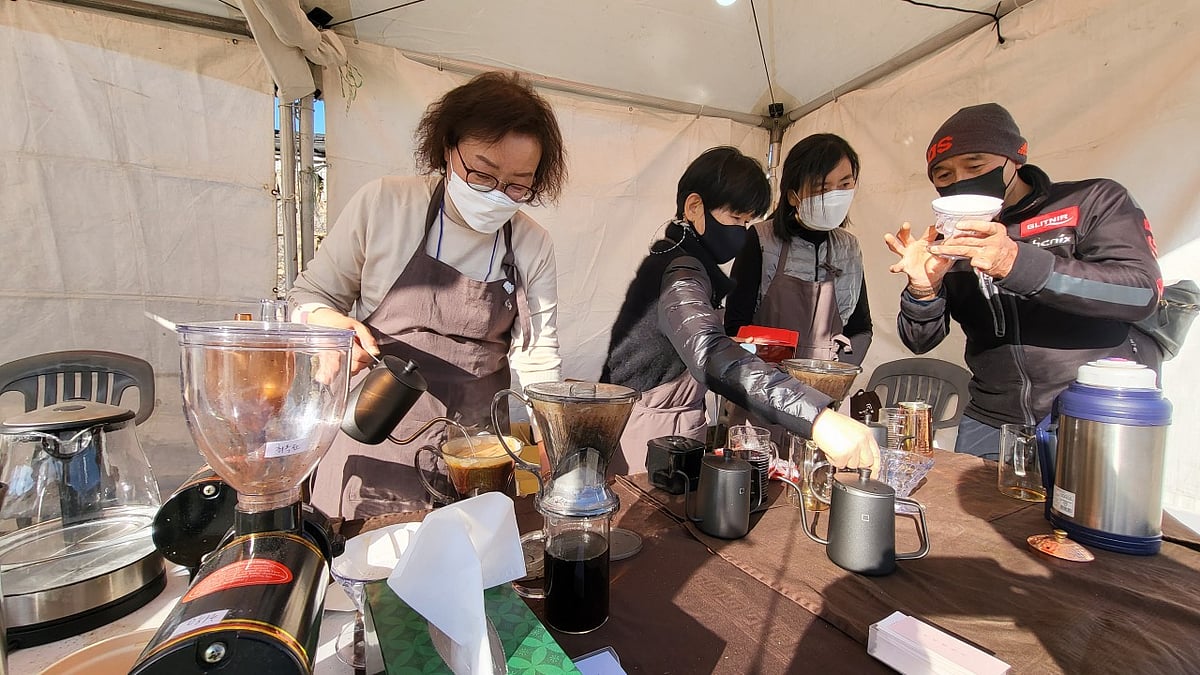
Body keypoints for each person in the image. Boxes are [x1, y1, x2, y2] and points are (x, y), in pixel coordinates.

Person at [290, 72, 567, 518]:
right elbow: (310, 295)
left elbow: (539, 358)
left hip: (478, 451)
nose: (497, 195)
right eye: (482, 174)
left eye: (518, 184)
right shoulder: (385, 204)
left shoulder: (532, 243)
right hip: (378, 437)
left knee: (475, 554)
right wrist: (328, 325)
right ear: (446, 147)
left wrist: (554, 450)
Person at [885, 103, 1162, 458]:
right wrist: (923, 291)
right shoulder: (949, 239)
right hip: (990, 420)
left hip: (1093, 412)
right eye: (943, 175)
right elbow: (920, 341)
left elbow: (1140, 293)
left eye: (975, 166)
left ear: (1015, 159)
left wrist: (1015, 263)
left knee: (1082, 499)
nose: (959, 180)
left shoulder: (1089, 201)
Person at [601, 146, 880, 477]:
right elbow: (709, 351)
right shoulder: (679, 274)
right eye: (736, 219)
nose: (742, 232)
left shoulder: (686, 264)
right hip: (649, 435)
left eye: (748, 221)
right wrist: (817, 418)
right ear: (694, 207)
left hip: (676, 426)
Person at [726, 133, 872, 364]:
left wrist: (837, 373)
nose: (834, 196)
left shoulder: (849, 248)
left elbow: (860, 329)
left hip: (826, 380)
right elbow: (735, 326)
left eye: (844, 184)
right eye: (822, 188)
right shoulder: (761, 239)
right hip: (765, 379)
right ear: (793, 196)